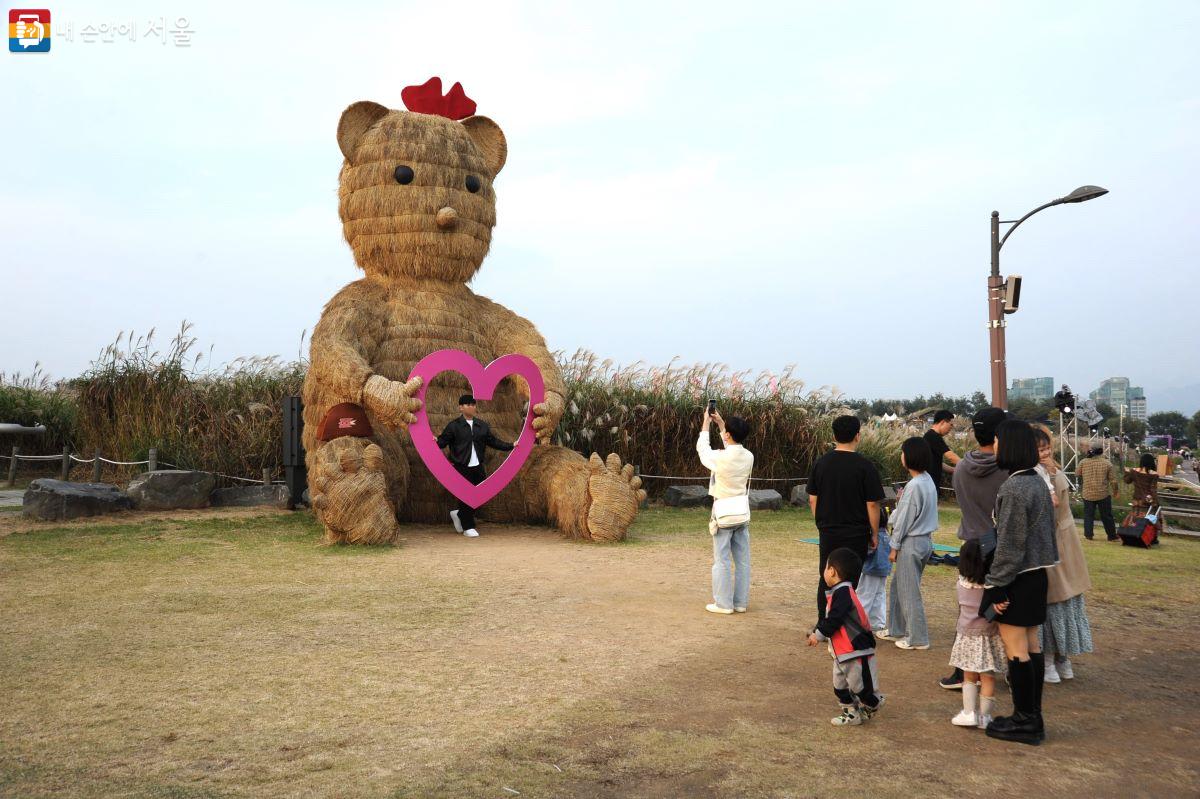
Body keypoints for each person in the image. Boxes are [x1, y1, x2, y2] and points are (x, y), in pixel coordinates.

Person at [982, 419, 1059, 746]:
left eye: (998, 441)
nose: (995, 446)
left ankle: (1025, 720)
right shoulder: (1037, 482)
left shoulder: (1014, 488)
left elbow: (1010, 545)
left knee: (1017, 650)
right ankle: (1033, 716)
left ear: (1010, 445)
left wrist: (994, 585)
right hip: (1037, 575)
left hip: (1018, 578)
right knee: (1031, 646)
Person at [940, 406, 1008, 690]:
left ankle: (962, 670)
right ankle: (1008, 667)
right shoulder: (1009, 471)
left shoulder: (964, 468)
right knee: (1002, 608)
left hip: (970, 548)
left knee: (968, 611)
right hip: (1000, 546)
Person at [807, 415, 885, 622]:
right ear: (858, 436)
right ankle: (844, 623)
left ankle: (823, 623)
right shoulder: (866, 466)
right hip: (856, 533)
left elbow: (812, 499)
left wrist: (821, 523)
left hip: (829, 531)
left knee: (827, 576)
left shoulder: (821, 463)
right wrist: (874, 532)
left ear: (834, 436)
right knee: (851, 580)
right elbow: (872, 504)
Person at [1035, 425, 1093, 684]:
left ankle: (1053, 659)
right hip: (1063, 545)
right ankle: (1061, 659)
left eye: (1046, 447)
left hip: (1054, 547)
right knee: (1062, 602)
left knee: (1052, 604)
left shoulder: (1047, 475)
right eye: (1040, 449)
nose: (1045, 452)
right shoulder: (1049, 472)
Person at [807, 547, 885, 726]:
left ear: (832, 571)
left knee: (860, 687)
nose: (824, 571)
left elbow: (834, 619)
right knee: (840, 686)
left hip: (855, 651)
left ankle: (874, 702)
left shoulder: (843, 593)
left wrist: (817, 635)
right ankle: (851, 714)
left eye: (826, 568)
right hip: (842, 653)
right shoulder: (840, 592)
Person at [879, 437, 938, 650]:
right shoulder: (927, 479)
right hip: (924, 541)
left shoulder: (914, 485)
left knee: (908, 590)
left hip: (911, 542)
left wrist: (894, 547)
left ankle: (918, 638)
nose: (901, 456)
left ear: (910, 457)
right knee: (898, 586)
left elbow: (903, 521)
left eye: (903, 452)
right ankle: (896, 628)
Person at [697, 409, 754, 615]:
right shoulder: (749, 456)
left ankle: (723, 603)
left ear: (729, 435)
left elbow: (703, 450)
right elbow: (732, 448)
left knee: (721, 559)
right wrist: (722, 425)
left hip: (723, 512)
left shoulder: (720, 458)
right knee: (742, 561)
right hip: (741, 511)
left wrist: (706, 424)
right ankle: (740, 602)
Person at [948, 538, 1007, 729]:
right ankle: (984, 717)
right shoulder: (991, 588)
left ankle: (968, 713)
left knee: (969, 676)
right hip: (989, 636)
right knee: (988, 677)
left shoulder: (961, 584)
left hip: (967, 636)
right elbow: (988, 613)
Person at [436, 394, 514, 537]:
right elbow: (442, 442)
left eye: (473, 404)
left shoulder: (482, 426)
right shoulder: (453, 426)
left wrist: (511, 446)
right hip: (461, 466)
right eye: (467, 404)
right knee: (466, 496)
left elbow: (493, 441)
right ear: (460, 407)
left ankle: (459, 514)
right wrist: (433, 440)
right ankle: (468, 527)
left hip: (477, 466)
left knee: (481, 494)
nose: (471, 407)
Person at [857, 509, 891, 632]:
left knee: (864, 596)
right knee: (879, 596)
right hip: (883, 571)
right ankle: (878, 623)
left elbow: (867, 552)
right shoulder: (887, 535)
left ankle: (859, 623)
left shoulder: (874, 537)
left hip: (871, 570)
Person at [1078, 445, 1119, 541]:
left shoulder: (1083, 462)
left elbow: (1077, 473)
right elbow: (1113, 480)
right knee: (1107, 515)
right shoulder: (1107, 463)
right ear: (1101, 452)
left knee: (1088, 515)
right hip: (1103, 494)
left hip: (1087, 493)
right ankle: (1112, 536)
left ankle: (1088, 535)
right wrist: (1116, 491)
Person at [924, 410, 962, 494]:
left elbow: (937, 462)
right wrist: (968, 467)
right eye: (950, 425)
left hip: (931, 484)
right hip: (930, 484)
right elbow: (951, 457)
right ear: (943, 422)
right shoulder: (933, 436)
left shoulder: (931, 436)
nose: (951, 428)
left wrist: (953, 470)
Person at [1124, 453, 1160, 518]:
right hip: (1148, 500)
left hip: (1136, 499)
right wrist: (1155, 502)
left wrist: (1127, 472)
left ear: (1141, 461)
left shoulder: (1133, 471)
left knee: (1135, 518)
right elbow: (1153, 489)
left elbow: (1127, 481)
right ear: (1151, 462)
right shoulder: (1154, 474)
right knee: (1146, 519)